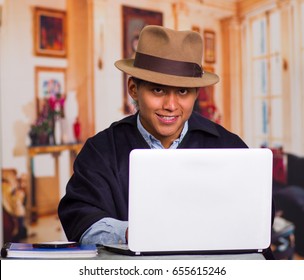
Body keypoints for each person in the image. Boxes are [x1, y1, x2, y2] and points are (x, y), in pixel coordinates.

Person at [58, 25, 262, 247]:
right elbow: (80, 218)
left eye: (182, 91)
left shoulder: (229, 146)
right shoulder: (101, 150)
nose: (170, 105)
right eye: (158, 90)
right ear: (134, 89)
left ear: (195, 94)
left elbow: (258, 216)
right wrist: (130, 233)